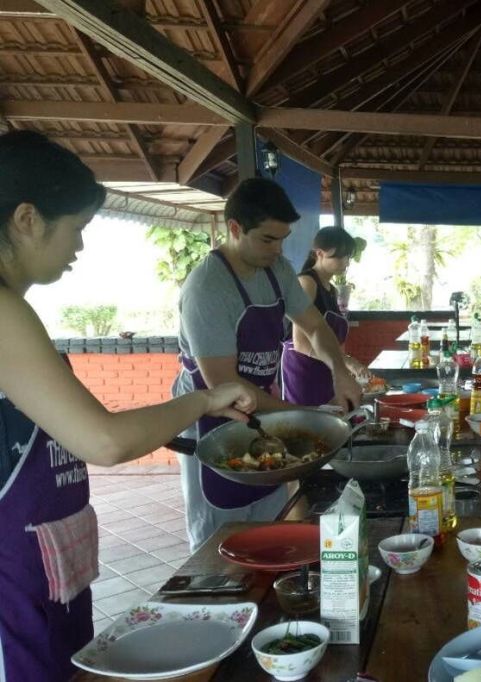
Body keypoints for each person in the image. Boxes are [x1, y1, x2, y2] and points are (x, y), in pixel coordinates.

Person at [0, 130, 258, 682]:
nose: (79, 248)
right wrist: (207, 398)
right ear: (26, 219)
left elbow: (83, 426)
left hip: (41, 562)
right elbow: (106, 440)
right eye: (76, 229)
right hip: (10, 575)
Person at [173, 178, 362, 551]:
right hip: (213, 419)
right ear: (234, 228)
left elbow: (314, 324)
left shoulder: (276, 271)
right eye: (267, 239)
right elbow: (225, 388)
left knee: (271, 520)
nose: (278, 250)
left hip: (261, 410)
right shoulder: (207, 289)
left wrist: (340, 372)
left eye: (282, 239)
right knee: (221, 538)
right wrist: (302, 416)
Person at [281, 225, 369, 406]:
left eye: (348, 256)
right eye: (339, 256)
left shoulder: (332, 290)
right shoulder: (307, 282)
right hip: (303, 372)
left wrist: (343, 367)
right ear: (319, 253)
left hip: (327, 370)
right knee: (307, 426)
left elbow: (332, 340)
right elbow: (301, 343)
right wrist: (346, 363)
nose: (346, 261)